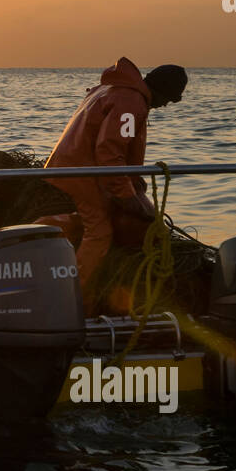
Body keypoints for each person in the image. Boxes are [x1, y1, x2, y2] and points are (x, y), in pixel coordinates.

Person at [44, 58, 187, 313]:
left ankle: (45, 231)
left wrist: (133, 182)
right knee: (99, 233)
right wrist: (127, 196)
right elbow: (110, 151)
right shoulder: (131, 104)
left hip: (78, 167)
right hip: (83, 173)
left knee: (94, 221)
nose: (165, 106)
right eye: (169, 99)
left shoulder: (117, 91)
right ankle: (73, 304)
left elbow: (116, 151)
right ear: (161, 90)